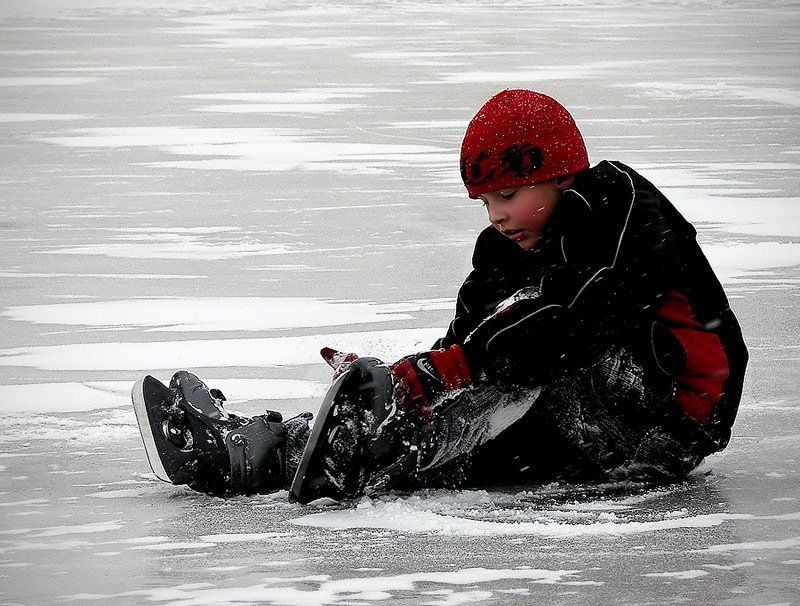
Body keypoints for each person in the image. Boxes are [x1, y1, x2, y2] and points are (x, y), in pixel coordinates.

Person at [133, 89, 748, 501]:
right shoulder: (515, 241)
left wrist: (666, 454)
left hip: (653, 413)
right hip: (587, 390)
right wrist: (420, 377)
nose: (497, 215)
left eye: (508, 196)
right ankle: (286, 442)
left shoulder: (616, 217)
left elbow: (558, 320)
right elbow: (478, 331)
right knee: (473, 393)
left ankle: (315, 455)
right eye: (485, 203)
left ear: (558, 172)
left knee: (506, 395)